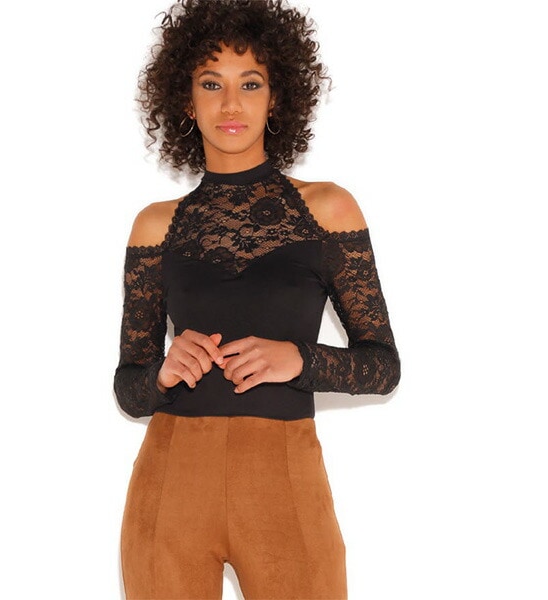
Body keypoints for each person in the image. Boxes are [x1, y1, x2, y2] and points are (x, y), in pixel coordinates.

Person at [114, 1, 400, 598]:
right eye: (210, 84)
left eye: (250, 84)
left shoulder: (327, 208)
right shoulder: (155, 225)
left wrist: (300, 358)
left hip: (284, 476)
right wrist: (162, 372)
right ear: (186, 101)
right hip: (171, 478)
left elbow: (383, 365)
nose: (230, 105)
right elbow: (128, 385)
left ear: (276, 98)